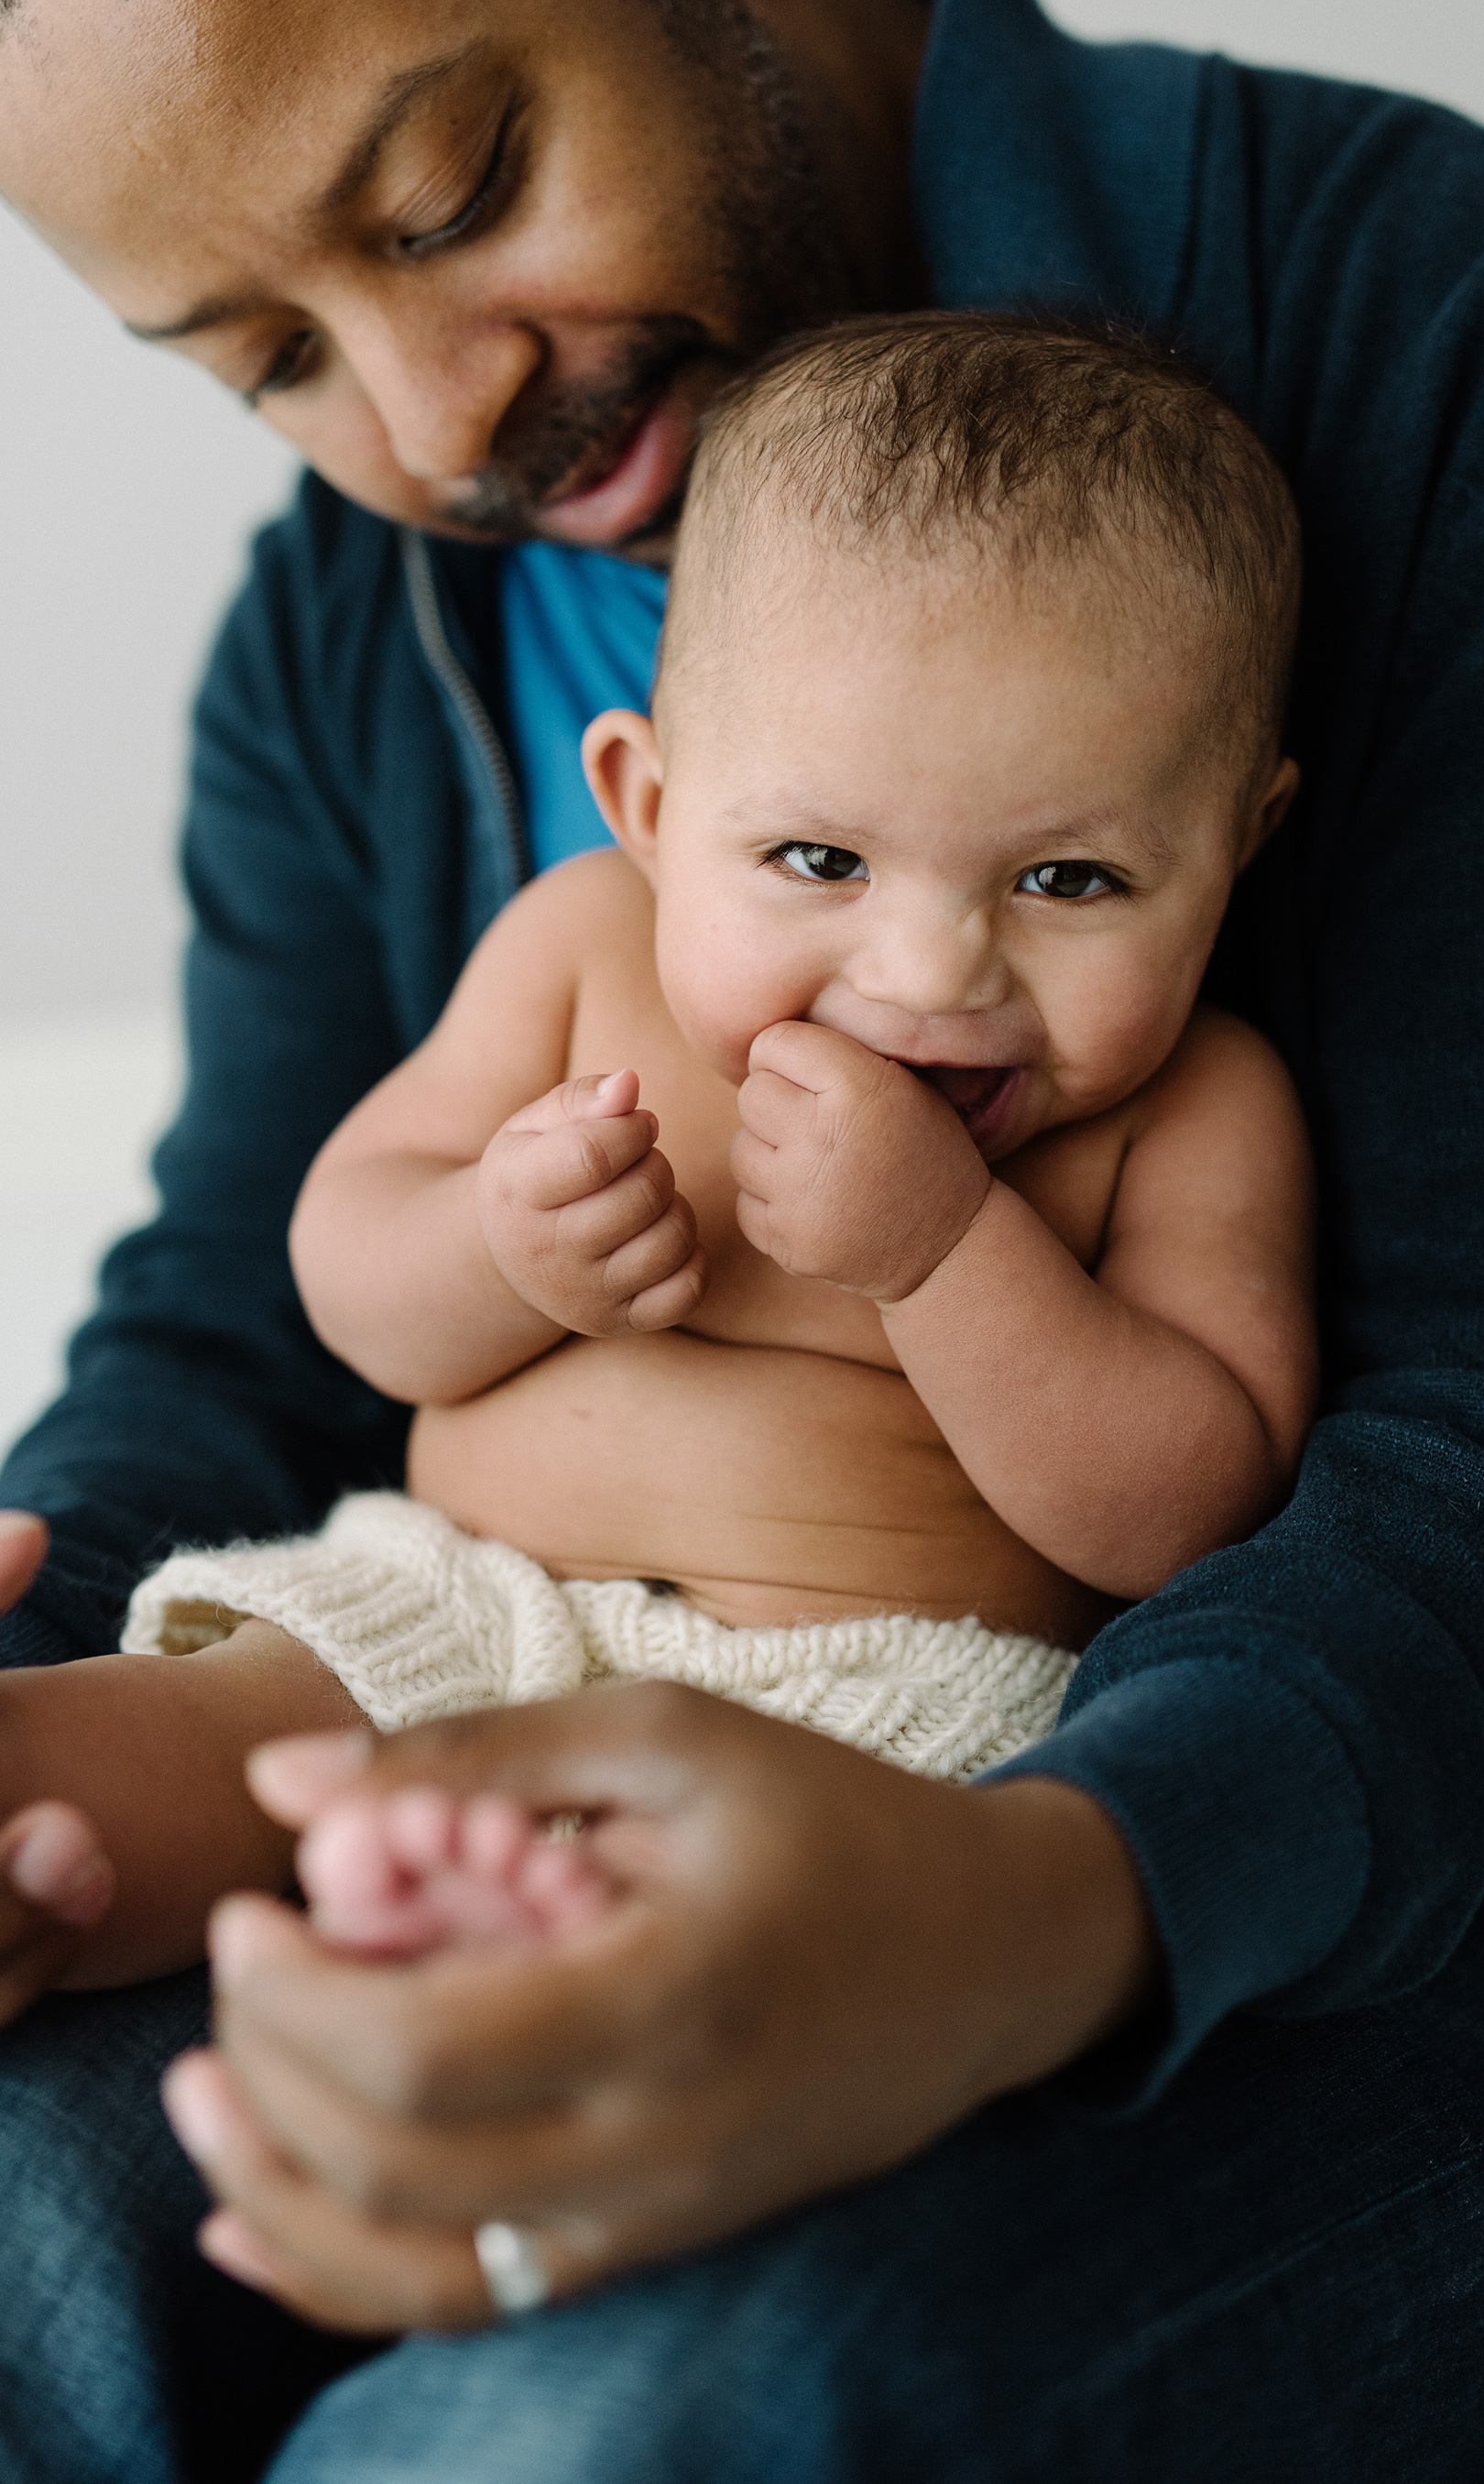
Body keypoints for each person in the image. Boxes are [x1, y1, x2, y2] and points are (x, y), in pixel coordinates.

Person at [0, 0, 1484, 2478]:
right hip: (488, 1693)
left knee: (610, 2416)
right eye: (270, 353)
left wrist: (1017, 1907)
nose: (430, 425)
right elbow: (236, 1334)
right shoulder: (348, 643)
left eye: (446, 195)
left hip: (1296, 1868)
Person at [116, 312, 1319, 1951]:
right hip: (461, 1600)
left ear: (1237, 847)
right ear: (653, 809)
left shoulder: (1193, 1107)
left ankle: (496, 1983)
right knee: (204, 1715)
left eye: (1070, 880)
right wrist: (493, 1240)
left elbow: (1192, 1510)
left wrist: (947, 1251)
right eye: (821, 859)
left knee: (783, 1950)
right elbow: (344, 1274)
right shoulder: (577, 945)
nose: (926, 975)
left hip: (887, 1702)